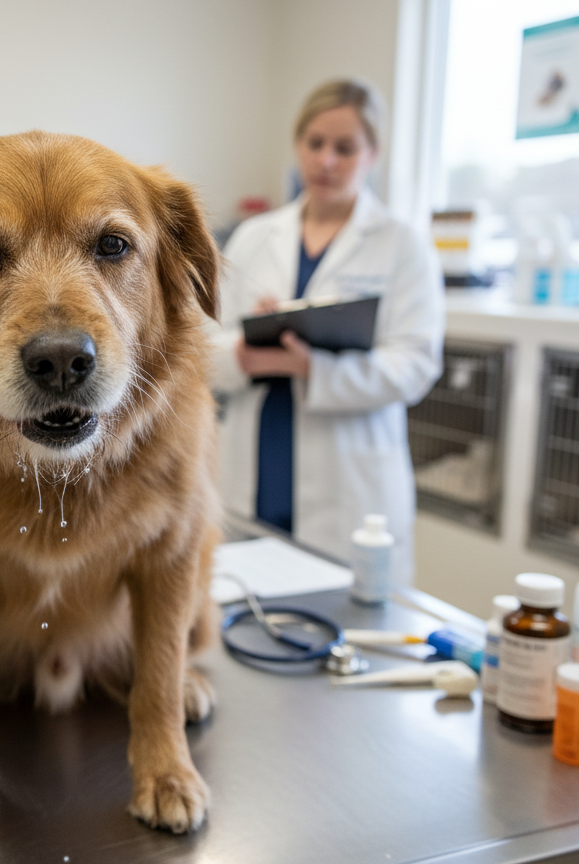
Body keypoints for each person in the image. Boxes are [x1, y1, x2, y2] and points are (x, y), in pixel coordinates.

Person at [211, 78, 444, 584]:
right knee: (245, 606)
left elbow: (416, 364)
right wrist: (246, 349)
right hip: (255, 464)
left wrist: (313, 366)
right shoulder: (255, 237)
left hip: (349, 484)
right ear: (298, 145)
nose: (326, 161)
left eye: (345, 148)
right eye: (315, 144)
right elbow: (202, 346)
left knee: (344, 625)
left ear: (372, 154)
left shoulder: (402, 245)